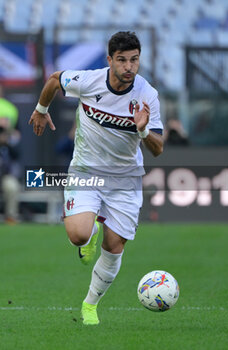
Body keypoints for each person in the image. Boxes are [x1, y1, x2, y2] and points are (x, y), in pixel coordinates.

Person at [29, 31, 163, 325]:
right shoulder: (89, 81)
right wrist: (41, 110)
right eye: (122, 60)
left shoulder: (146, 95)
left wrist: (142, 131)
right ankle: (88, 235)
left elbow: (158, 148)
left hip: (125, 179)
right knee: (78, 234)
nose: (129, 67)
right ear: (109, 60)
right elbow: (54, 79)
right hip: (86, 171)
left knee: (114, 246)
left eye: (134, 60)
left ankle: (90, 306)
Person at [0, 87, 21, 224]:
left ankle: (11, 218)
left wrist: (6, 138)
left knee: (12, 186)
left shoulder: (8, 140)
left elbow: (17, 154)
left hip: (4, 175)